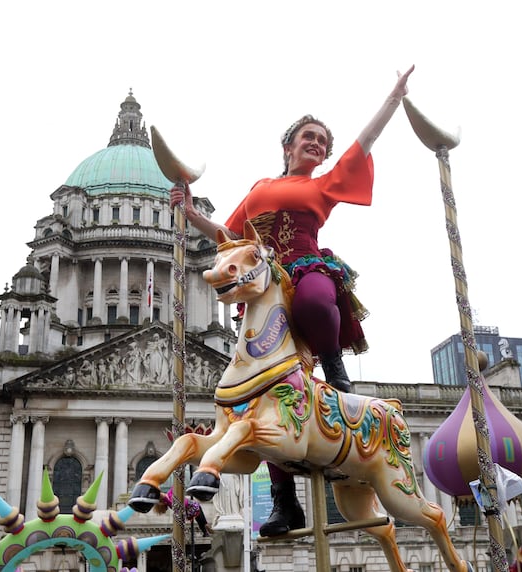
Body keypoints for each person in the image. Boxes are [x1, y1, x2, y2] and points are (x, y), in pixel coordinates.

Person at [170, 65, 415, 537]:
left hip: (304, 267)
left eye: (323, 140)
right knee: (265, 406)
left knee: (314, 300)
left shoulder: (322, 186)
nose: (318, 145)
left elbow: (361, 145)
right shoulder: (260, 188)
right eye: (309, 136)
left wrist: (392, 100)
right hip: (265, 286)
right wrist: (190, 211)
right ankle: (286, 504)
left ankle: (334, 368)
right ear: (288, 146)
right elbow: (231, 235)